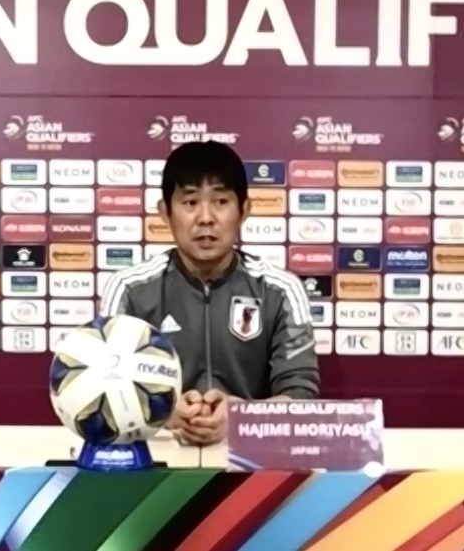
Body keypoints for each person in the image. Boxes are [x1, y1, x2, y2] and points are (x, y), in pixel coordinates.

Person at [99, 141, 320, 446]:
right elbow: (103, 384)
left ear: (244, 210)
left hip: (250, 460)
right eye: (189, 203)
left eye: (220, 201)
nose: (205, 218)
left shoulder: (280, 290)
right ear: (165, 212)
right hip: (156, 457)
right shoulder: (130, 288)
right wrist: (160, 411)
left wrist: (243, 417)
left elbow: (302, 397)